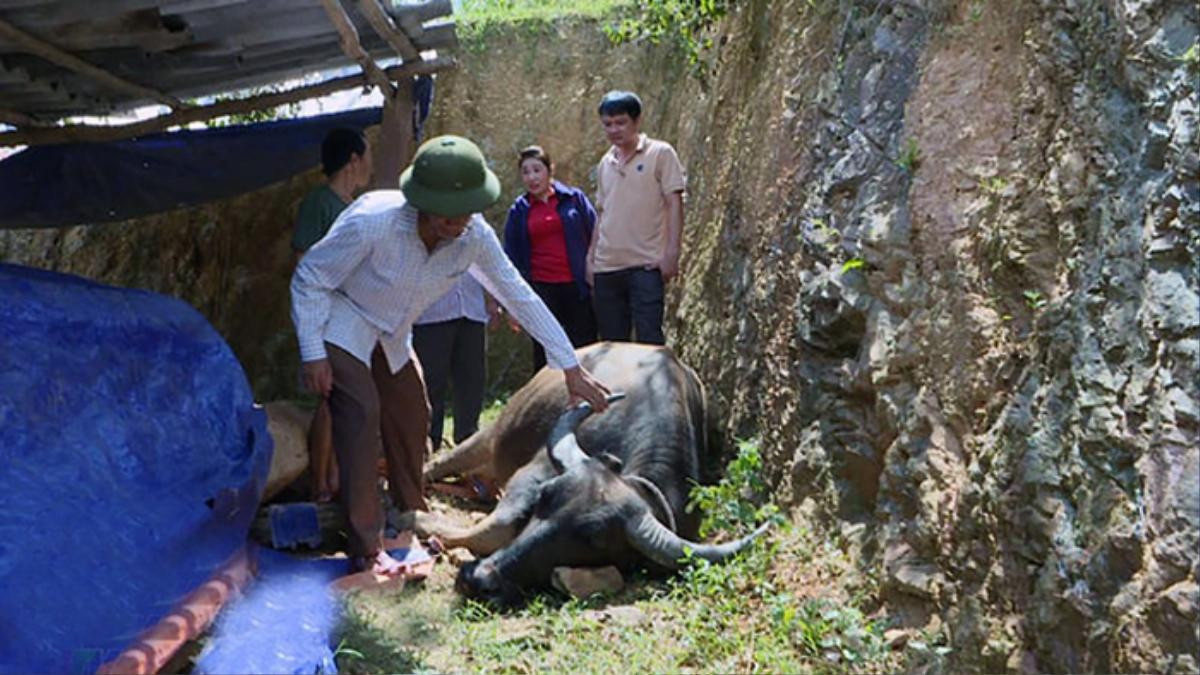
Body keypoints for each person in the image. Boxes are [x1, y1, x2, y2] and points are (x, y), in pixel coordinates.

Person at [291, 134, 613, 576]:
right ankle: (366, 546)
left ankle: (409, 513)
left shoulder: (473, 236)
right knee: (361, 413)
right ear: (421, 201)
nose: (459, 221)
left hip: (393, 331)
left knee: (412, 410)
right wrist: (313, 353)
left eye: (466, 211)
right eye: (448, 213)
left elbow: (518, 294)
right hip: (343, 318)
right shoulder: (372, 222)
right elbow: (309, 277)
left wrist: (570, 367)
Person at [290, 127, 372, 502]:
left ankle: (337, 476)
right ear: (353, 160)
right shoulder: (319, 204)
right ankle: (320, 483)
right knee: (329, 397)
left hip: (353, 318)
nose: (369, 163)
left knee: (344, 398)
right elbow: (303, 261)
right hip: (324, 315)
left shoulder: (353, 207)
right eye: (366, 155)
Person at [587, 90, 686, 345]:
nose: (614, 129)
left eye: (621, 122)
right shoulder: (605, 163)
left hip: (646, 265)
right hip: (607, 266)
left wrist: (672, 253)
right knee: (611, 345)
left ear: (637, 121)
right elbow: (602, 212)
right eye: (608, 124)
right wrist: (591, 258)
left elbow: (674, 203)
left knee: (649, 343)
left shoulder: (660, 153)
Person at [503, 145, 598, 371]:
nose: (532, 177)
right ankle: (548, 402)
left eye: (537, 170)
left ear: (549, 170)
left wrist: (592, 270)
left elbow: (596, 232)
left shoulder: (574, 199)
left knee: (584, 345)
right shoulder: (519, 210)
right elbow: (510, 257)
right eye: (525, 172)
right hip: (541, 289)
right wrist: (511, 305)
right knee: (545, 351)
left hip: (577, 286)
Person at [411, 275, 495, 448]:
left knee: (472, 380)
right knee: (431, 382)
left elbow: (487, 266)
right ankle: (428, 443)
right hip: (431, 314)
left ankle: (468, 442)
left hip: (472, 309)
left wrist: (493, 301)